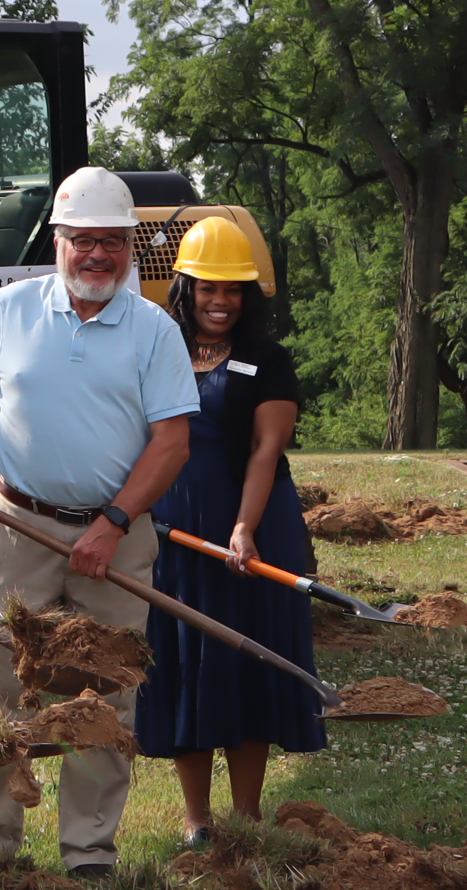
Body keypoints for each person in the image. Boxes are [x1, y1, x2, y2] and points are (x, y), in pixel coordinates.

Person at [0, 166, 197, 886]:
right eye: (82, 241)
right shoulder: (14, 309)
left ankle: (90, 854)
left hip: (118, 542)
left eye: (111, 243)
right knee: (3, 685)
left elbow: (172, 441)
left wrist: (112, 523)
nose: (97, 256)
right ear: (58, 242)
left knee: (104, 693)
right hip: (17, 529)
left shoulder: (154, 330)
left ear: (129, 247)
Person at [132, 217, 324, 839]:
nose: (221, 301)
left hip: (252, 525)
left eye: (234, 290)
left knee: (247, 664)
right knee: (185, 662)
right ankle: (196, 821)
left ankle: (246, 817)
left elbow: (266, 451)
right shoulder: (156, 348)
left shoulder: (267, 360)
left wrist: (243, 529)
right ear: (184, 288)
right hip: (172, 529)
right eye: (209, 288)